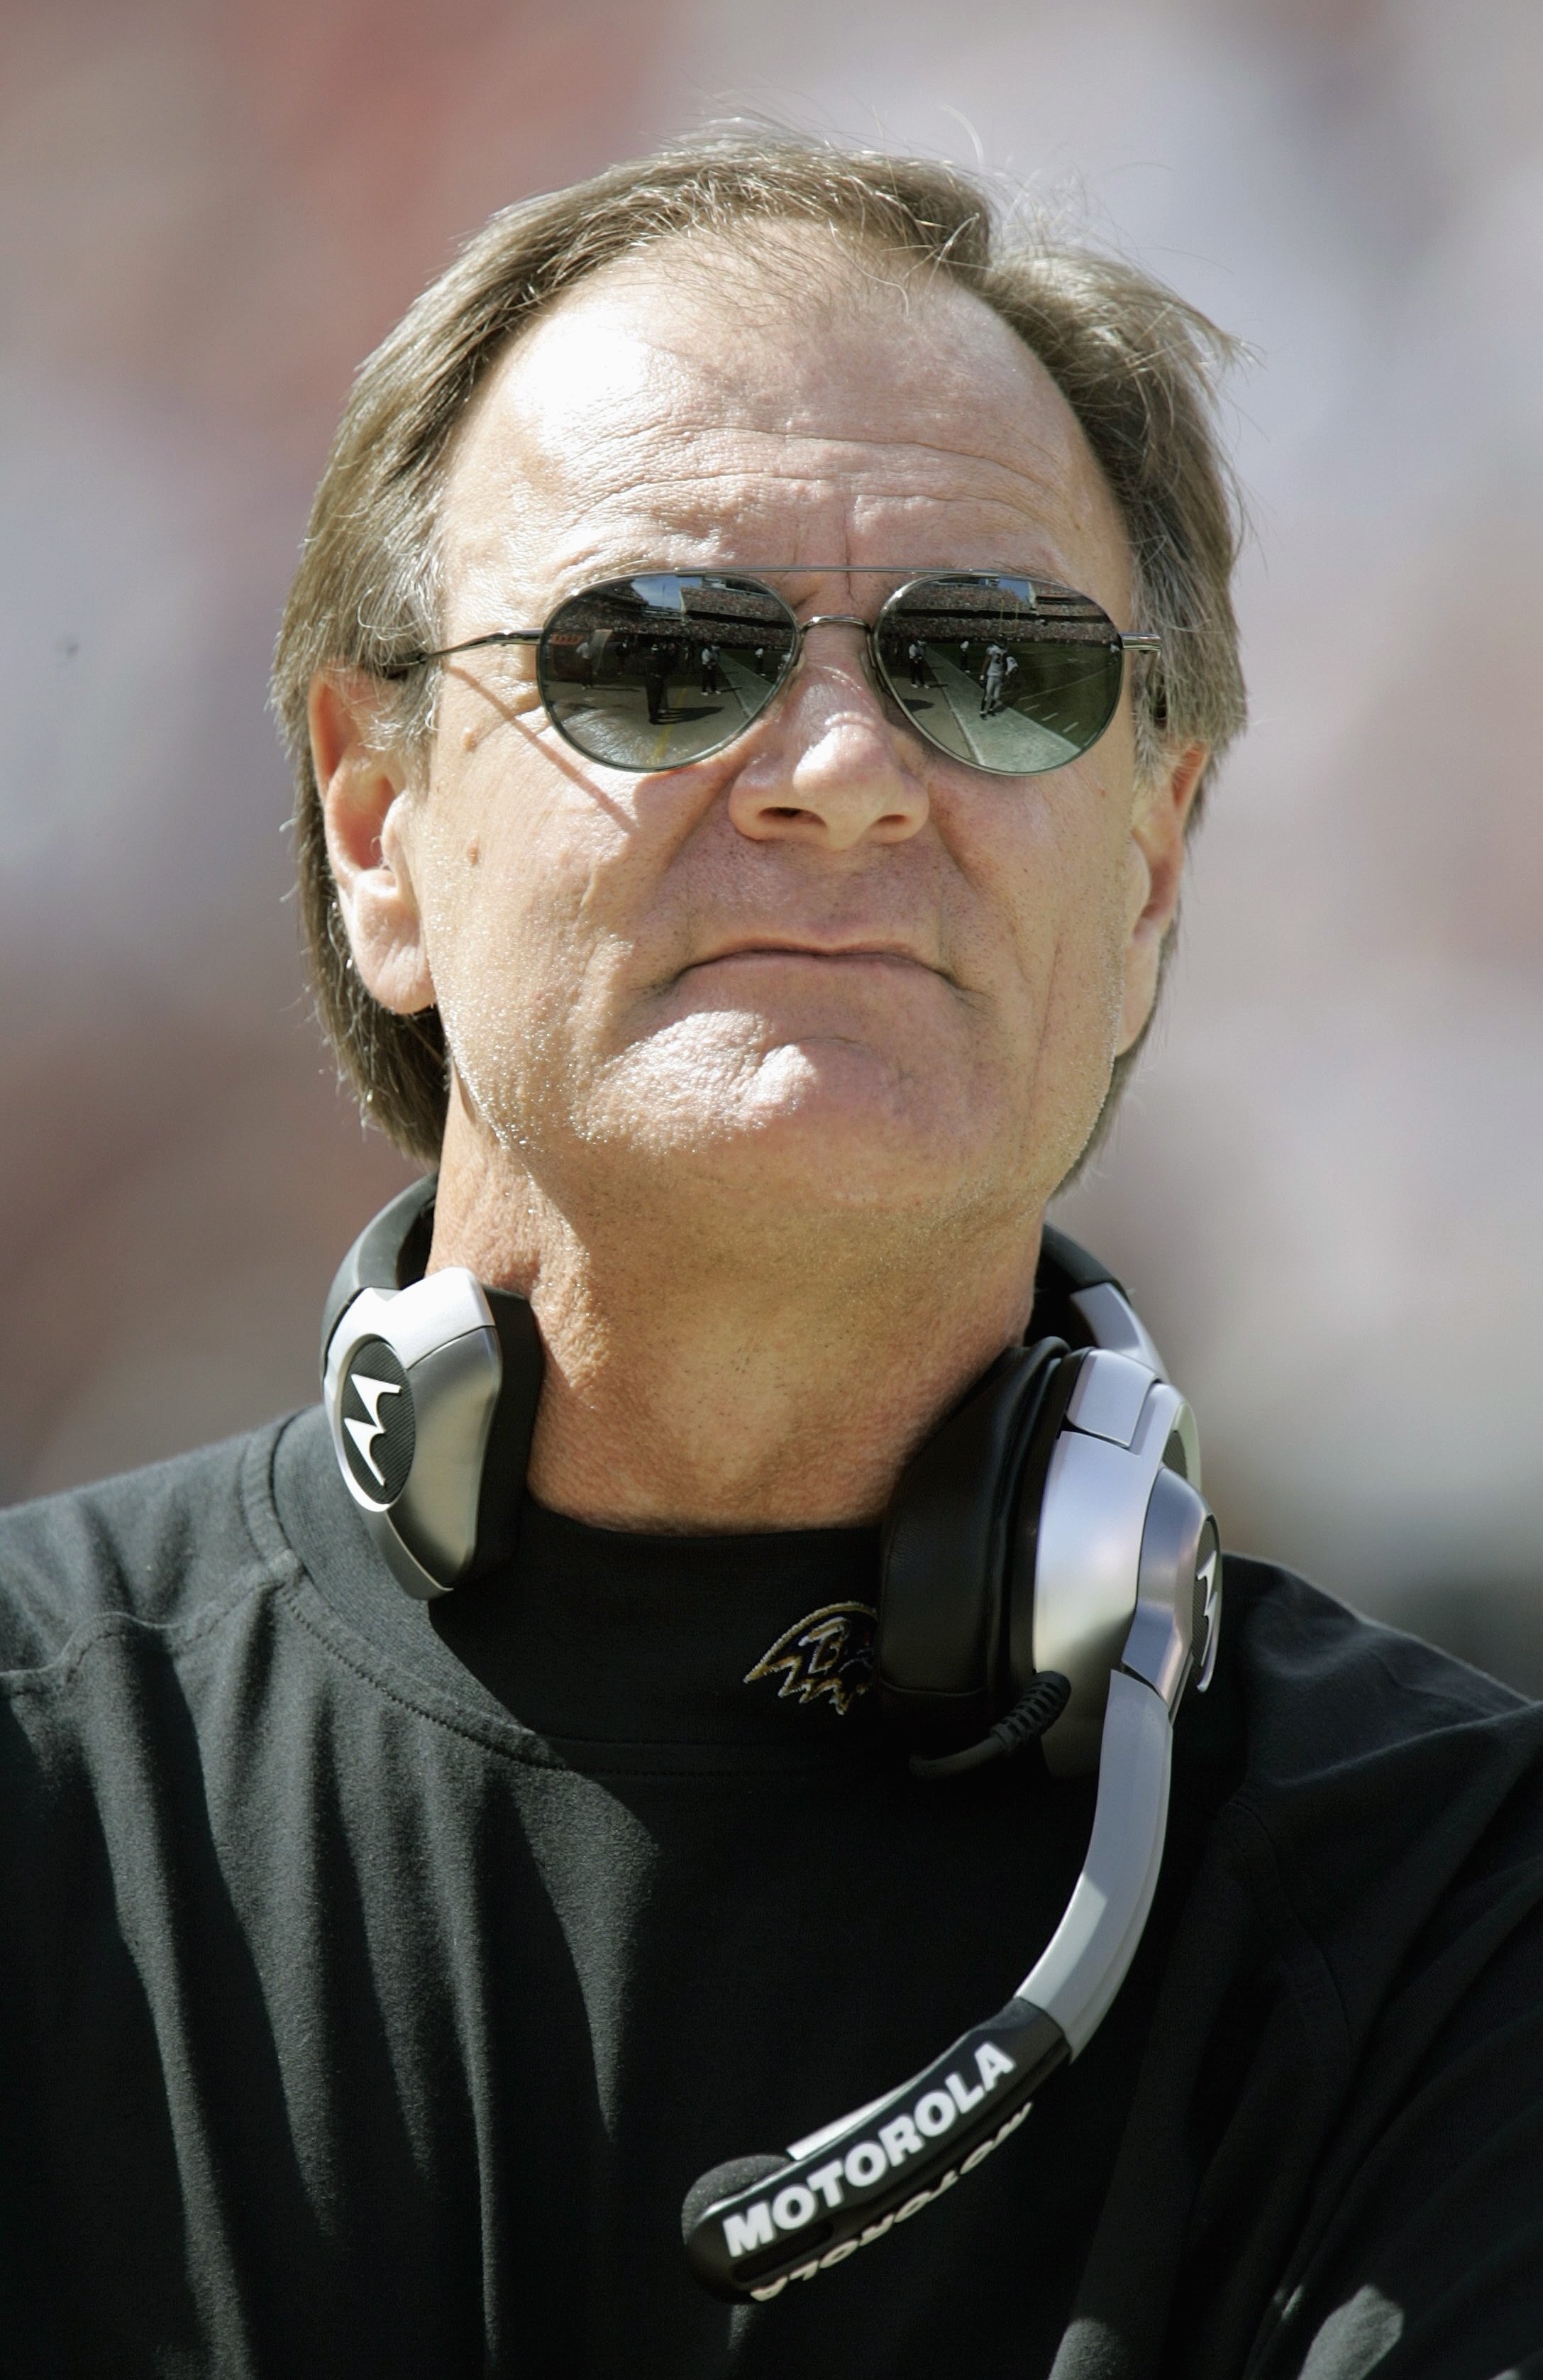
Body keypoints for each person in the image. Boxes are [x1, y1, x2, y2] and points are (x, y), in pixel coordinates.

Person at [1, 135, 1541, 2380]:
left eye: (994, 666)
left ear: (1149, 868)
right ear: (374, 825)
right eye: (661, 654)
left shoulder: (1471, 1916)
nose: (843, 768)